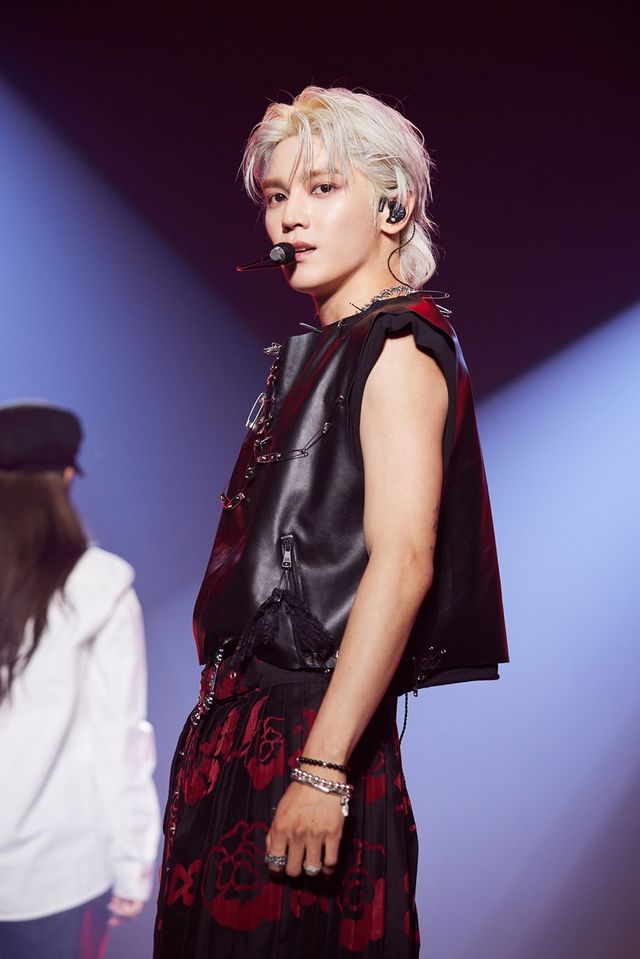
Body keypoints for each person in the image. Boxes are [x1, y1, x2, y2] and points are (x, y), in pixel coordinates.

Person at [153, 86, 508, 958]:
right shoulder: (328, 351)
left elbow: (403, 560)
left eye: (321, 188)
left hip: (308, 732)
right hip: (239, 734)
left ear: (394, 206)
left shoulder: (398, 346)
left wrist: (322, 766)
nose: (289, 216)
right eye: (278, 195)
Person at [0, 402, 161, 959]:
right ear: (67, 477)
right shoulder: (99, 585)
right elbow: (119, 738)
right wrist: (132, 861)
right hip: (57, 872)